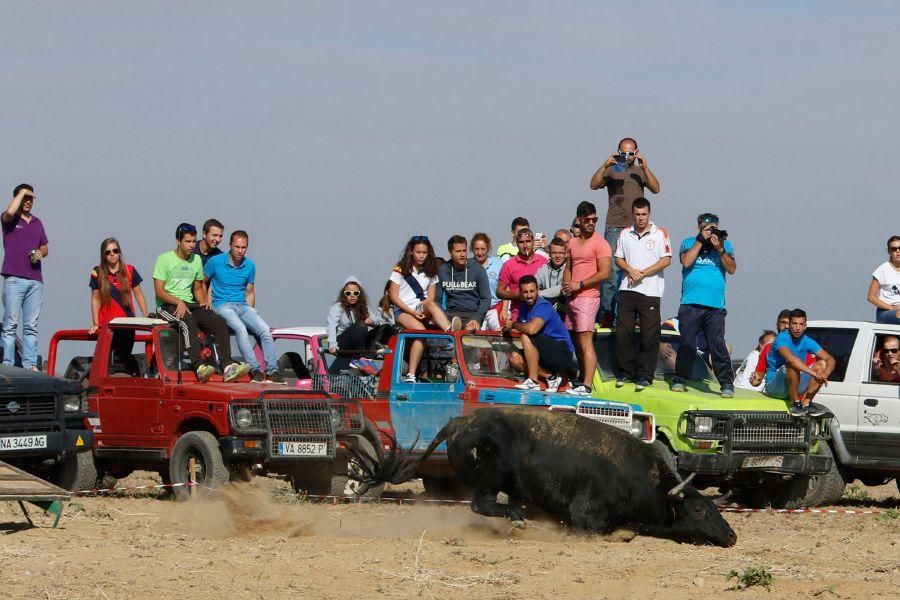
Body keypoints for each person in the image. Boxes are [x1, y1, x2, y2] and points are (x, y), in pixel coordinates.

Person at [154, 223, 250, 383]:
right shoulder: (164, 259)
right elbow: (159, 290)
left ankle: (227, 366)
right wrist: (178, 301)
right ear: (178, 241)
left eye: (193, 241)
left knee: (218, 321)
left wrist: (204, 302)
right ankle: (199, 366)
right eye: (188, 242)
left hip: (189, 303)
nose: (192, 245)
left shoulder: (196, 259)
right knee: (188, 321)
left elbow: (198, 287)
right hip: (167, 305)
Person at [589, 137, 661, 327]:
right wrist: (605, 165)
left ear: (636, 153)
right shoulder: (612, 169)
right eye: (623, 153)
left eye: (630, 153)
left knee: (635, 270)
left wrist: (645, 168)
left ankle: (633, 315)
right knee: (612, 271)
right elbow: (594, 184)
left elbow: (656, 188)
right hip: (614, 226)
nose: (626, 157)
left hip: (636, 228)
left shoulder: (639, 171)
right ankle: (606, 314)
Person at [671, 213, 737, 398]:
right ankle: (680, 379)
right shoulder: (689, 242)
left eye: (713, 228)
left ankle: (726, 383)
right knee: (687, 343)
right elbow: (686, 261)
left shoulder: (725, 244)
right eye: (707, 228)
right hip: (691, 303)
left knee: (717, 345)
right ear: (699, 227)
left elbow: (732, 268)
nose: (711, 231)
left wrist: (720, 248)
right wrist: (700, 240)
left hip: (715, 306)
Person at [204, 230, 282, 383]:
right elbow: (201, 281)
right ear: (230, 246)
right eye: (237, 247)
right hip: (222, 304)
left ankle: (272, 370)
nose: (240, 251)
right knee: (240, 329)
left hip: (242, 305)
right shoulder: (216, 261)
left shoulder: (250, 265)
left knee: (265, 330)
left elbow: (250, 291)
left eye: (243, 247)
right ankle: (255, 369)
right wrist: (205, 301)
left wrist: (251, 310)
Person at [613, 198, 672, 390]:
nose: (640, 218)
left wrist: (642, 273)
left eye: (643, 214)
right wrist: (631, 270)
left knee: (649, 334)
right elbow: (619, 259)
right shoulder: (625, 233)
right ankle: (625, 373)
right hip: (627, 289)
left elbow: (666, 260)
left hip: (651, 291)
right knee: (624, 332)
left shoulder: (660, 233)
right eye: (637, 214)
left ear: (649, 214)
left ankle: (645, 375)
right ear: (633, 214)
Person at [389, 236, 457, 383]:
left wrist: (421, 310)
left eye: (424, 252)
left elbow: (431, 298)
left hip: (421, 307)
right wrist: (411, 312)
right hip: (403, 310)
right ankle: (411, 374)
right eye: (418, 252)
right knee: (420, 331)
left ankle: (451, 332)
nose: (421, 255)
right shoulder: (399, 269)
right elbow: (393, 297)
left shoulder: (431, 271)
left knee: (433, 305)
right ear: (411, 252)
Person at [562, 202, 611, 396]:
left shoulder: (600, 243)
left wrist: (579, 284)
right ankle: (581, 379)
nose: (592, 223)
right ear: (579, 220)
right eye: (588, 220)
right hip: (572, 298)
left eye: (595, 220)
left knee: (585, 340)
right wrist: (567, 285)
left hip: (588, 297)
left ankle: (587, 385)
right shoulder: (572, 243)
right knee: (574, 339)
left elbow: (605, 272)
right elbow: (568, 267)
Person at [1, 184, 48, 370]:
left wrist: (40, 253)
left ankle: (29, 364)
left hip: (35, 280)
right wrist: (21, 193)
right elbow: (10, 211)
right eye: (25, 197)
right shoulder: (9, 219)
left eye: (30, 198)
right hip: (14, 278)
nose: (28, 201)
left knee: (31, 326)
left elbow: (45, 246)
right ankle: (8, 364)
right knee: (10, 324)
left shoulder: (37, 222)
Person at [504, 275, 576, 393]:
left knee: (526, 336)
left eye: (532, 291)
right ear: (520, 293)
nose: (529, 295)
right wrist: (507, 329)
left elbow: (531, 330)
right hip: (544, 351)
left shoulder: (543, 306)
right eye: (525, 292)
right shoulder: (524, 307)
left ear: (537, 290)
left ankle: (533, 381)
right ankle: (551, 377)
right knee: (514, 358)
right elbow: (522, 327)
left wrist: (512, 325)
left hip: (562, 352)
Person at [89, 238, 149, 370]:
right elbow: (95, 299)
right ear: (103, 255)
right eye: (108, 252)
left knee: (124, 359)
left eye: (115, 251)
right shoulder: (97, 272)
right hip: (107, 326)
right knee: (106, 363)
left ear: (119, 253)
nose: (112, 254)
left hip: (127, 324)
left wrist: (145, 314)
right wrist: (95, 323)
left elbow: (138, 294)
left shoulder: (130, 270)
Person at [763, 308, 835, 416]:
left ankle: (806, 403)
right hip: (776, 387)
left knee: (822, 364)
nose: (797, 328)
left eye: (801, 324)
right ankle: (795, 404)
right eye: (794, 324)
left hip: (795, 385)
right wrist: (815, 374)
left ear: (805, 326)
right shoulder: (781, 338)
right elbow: (791, 360)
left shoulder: (806, 340)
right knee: (792, 364)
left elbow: (830, 359)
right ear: (789, 325)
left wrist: (824, 374)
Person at [326, 275, 393, 363]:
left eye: (355, 293)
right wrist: (332, 345)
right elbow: (331, 326)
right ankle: (360, 360)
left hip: (359, 344)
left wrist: (370, 321)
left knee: (386, 327)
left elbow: (377, 321)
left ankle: (368, 358)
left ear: (359, 294)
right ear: (344, 294)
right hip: (343, 343)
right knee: (361, 325)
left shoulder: (363, 305)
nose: (352, 296)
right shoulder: (337, 306)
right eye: (348, 293)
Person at [436, 235, 491, 331]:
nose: (462, 255)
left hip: (472, 314)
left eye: (464, 251)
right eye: (458, 251)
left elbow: (486, 298)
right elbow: (437, 299)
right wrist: (443, 317)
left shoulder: (478, 269)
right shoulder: (443, 270)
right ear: (450, 252)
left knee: (469, 330)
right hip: (450, 314)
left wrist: (477, 318)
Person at [497, 229, 548, 322]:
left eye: (528, 241)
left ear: (533, 242)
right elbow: (499, 292)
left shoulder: (544, 262)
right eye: (521, 242)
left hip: (541, 313)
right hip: (518, 315)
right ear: (516, 243)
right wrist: (516, 295)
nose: (525, 246)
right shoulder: (508, 265)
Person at [867, 235, 900, 324]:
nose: (898, 251)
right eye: (894, 249)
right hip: (886, 311)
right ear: (889, 251)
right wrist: (893, 308)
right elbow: (871, 297)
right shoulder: (882, 270)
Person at [535, 236, 568, 320]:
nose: (557, 256)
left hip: (566, 314)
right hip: (547, 313)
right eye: (554, 253)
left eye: (561, 253)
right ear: (549, 253)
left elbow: (564, 289)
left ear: (566, 253)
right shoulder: (542, 269)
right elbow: (533, 288)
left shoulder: (570, 269)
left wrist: (541, 293)